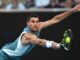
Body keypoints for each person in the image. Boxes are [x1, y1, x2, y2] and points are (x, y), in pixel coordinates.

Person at [0, 4, 80, 60]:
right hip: (4, 56)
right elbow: (40, 42)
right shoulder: (28, 36)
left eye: (37, 22)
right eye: (32, 22)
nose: (35, 24)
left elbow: (56, 19)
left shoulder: (39, 26)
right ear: (27, 23)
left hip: (15, 57)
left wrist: (73, 10)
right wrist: (52, 44)